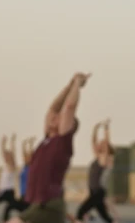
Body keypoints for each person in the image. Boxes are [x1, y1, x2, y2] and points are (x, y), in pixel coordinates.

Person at [7, 72, 91, 223]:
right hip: (40, 205)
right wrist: (69, 85)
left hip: (50, 205)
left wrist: (78, 83)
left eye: (59, 117)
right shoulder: (47, 140)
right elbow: (53, 108)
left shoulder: (62, 142)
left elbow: (69, 107)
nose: (54, 116)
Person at [75, 119, 116, 223]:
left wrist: (106, 129)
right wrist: (96, 129)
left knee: (80, 212)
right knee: (104, 216)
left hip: (98, 192)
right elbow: (93, 142)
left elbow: (106, 144)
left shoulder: (104, 158)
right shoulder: (98, 157)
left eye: (102, 144)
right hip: (94, 191)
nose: (99, 144)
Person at [19, 137, 37, 203]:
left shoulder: (31, 167)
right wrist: (23, 145)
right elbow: (23, 153)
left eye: (28, 157)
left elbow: (32, 154)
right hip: (23, 193)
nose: (26, 158)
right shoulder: (24, 168)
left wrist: (30, 144)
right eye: (26, 157)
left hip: (29, 193)